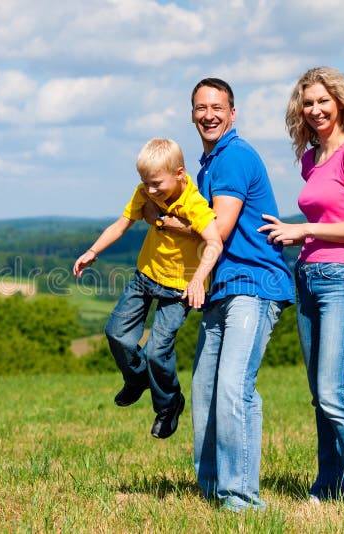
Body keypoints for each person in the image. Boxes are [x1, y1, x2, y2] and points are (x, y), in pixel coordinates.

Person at [155, 78, 295, 511]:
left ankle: (240, 497)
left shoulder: (234, 156)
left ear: (232, 114)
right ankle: (213, 486)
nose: (209, 114)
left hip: (253, 285)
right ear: (192, 114)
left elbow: (219, 229)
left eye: (217, 107)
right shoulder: (207, 165)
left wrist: (166, 221)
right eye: (201, 108)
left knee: (235, 387)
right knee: (207, 388)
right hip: (224, 288)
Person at [259, 66, 344, 507]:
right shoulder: (312, 159)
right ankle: (328, 483)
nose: (314, 110)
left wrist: (303, 229)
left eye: (322, 101)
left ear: (340, 103)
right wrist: (291, 234)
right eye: (307, 103)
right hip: (308, 278)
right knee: (319, 397)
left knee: (334, 392)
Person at [73, 138, 222, 439]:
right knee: (116, 332)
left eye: (156, 184)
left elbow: (215, 241)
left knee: (156, 350)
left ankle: (168, 405)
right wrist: (93, 251)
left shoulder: (193, 203)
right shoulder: (145, 192)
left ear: (179, 173)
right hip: (146, 275)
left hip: (179, 288)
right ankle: (137, 378)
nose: (150, 190)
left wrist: (198, 280)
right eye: (145, 182)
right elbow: (121, 224)